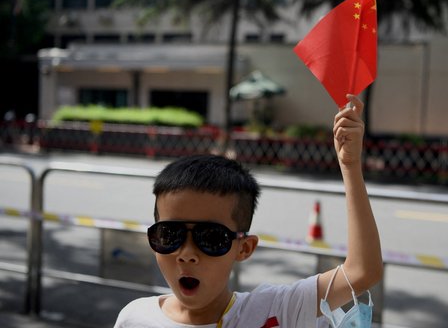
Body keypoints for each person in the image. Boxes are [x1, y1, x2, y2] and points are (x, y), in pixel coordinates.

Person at [114, 94, 383, 328]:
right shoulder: (134, 318)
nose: (186, 254)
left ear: (244, 247)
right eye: (169, 235)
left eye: (211, 238)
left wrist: (350, 166)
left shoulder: (273, 313)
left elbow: (361, 271)